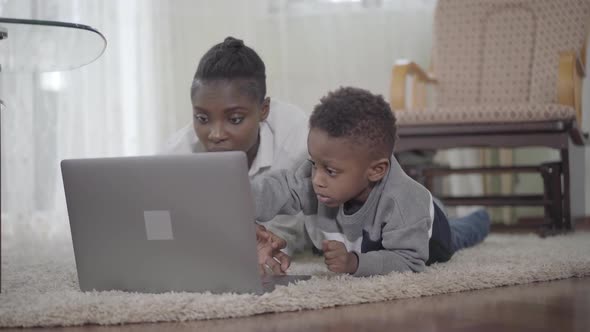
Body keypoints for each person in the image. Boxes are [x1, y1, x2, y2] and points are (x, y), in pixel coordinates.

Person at [252, 87, 490, 276]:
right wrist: (239, 199)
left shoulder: (401, 202)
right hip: (383, 225)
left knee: (460, 234)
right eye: (314, 163)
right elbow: (283, 188)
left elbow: (408, 260)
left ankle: (481, 217)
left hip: (430, 233)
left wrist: (355, 262)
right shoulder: (322, 172)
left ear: (376, 171)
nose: (316, 179)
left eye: (331, 171)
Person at [164, 36, 309, 274]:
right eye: (202, 118)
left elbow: (291, 228)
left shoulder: (299, 140)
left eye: (234, 119)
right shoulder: (177, 154)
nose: (215, 134)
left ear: (263, 110)